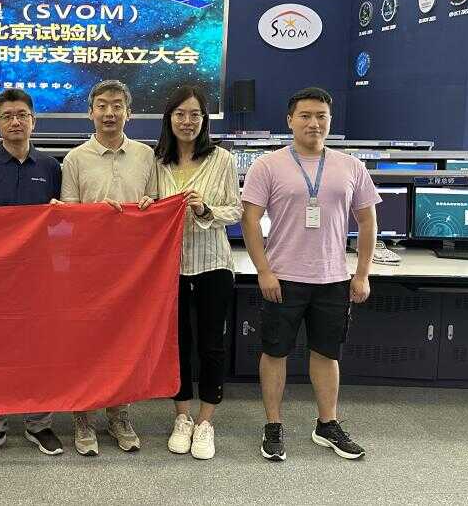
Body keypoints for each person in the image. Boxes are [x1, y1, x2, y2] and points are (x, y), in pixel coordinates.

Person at [240, 86, 378, 462]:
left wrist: (362, 273)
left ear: (329, 121)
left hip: (333, 278)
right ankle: (273, 425)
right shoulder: (268, 165)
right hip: (283, 278)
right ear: (290, 120)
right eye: (305, 116)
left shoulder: (351, 166)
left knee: (326, 354)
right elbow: (250, 220)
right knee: (275, 352)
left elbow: (367, 221)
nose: (313, 123)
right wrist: (263, 271)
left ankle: (327, 424)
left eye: (321, 116)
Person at [0, 88, 63, 460]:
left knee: (41, 351)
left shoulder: (51, 167)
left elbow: (67, 223)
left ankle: (39, 423)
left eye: (22, 115)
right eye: (7, 116)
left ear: (34, 120)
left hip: (41, 277)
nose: (15, 122)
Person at [144, 85, 241, 461]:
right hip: (171, 268)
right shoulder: (157, 161)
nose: (187, 121)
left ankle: (205, 421)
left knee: (211, 345)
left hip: (213, 264)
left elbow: (235, 210)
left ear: (204, 120)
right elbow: (148, 205)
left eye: (195, 115)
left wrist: (205, 210)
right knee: (178, 344)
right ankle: (182, 417)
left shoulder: (222, 159)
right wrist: (148, 205)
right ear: (169, 119)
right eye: (180, 114)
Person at [58, 80, 153, 457]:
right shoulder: (75, 159)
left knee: (124, 342)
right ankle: (83, 415)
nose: (109, 113)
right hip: (88, 267)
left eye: (117, 106)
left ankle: (119, 414)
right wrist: (96, 214)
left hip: (133, 268)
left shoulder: (146, 155)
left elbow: (156, 202)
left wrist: (150, 204)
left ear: (129, 113)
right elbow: (67, 213)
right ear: (90, 112)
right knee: (85, 341)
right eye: (102, 105)